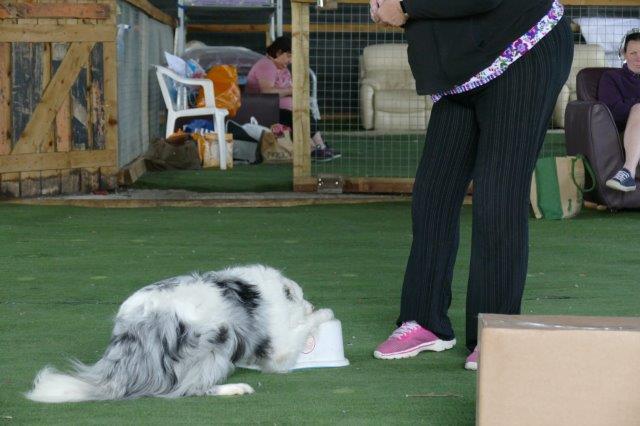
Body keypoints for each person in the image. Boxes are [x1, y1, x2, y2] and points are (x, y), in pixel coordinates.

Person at [370, 0, 573, 370]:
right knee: (432, 196)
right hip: (464, 64)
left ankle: (494, 330)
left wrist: (406, 6)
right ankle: (425, 320)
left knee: (497, 198)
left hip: (522, 46)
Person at [246, 36, 341, 162]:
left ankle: (318, 146)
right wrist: (293, 91)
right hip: (265, 112)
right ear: (278, 53)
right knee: (298, 115)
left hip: (281, 110)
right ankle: (316, 148)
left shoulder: (282, 68)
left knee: (302, 112)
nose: (290, 61)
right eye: (289, 56)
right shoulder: (266, 65)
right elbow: (267, 92)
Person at [598, 29, 640, 192]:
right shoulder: (612, 77)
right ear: (624, 53)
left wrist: (630, 102)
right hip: (627, 132)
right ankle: (628, 172)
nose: (638, 58)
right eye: (633, 53)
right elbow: (614, 110)